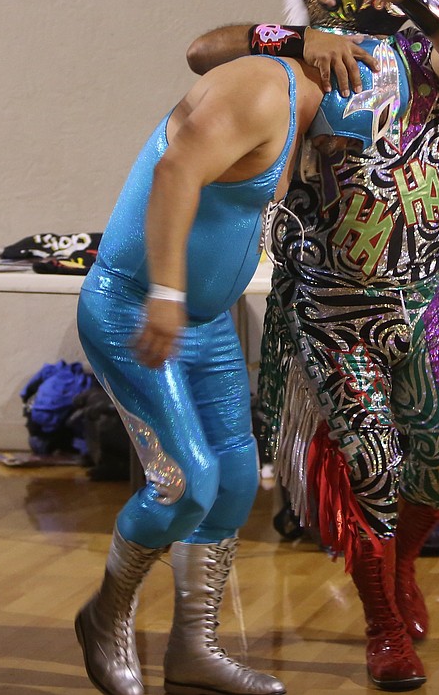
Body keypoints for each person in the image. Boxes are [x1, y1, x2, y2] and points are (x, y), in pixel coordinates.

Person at [186, 0, 439, 691]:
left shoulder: (427, 58)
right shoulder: (307, 69)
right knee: (375, 471)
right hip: (333, 310)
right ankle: (384, 626)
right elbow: (201, 50)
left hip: (417, 295)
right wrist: (291, 37)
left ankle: (400, 571)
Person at [74, 47, 329, 695]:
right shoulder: (262, 87)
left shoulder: (304, 105)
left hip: (207, 319)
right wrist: (163, 292)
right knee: (186, 481)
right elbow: (175, 170)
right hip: (136, 306)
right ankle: (106, 614)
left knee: (238, 478)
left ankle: (193, 648)